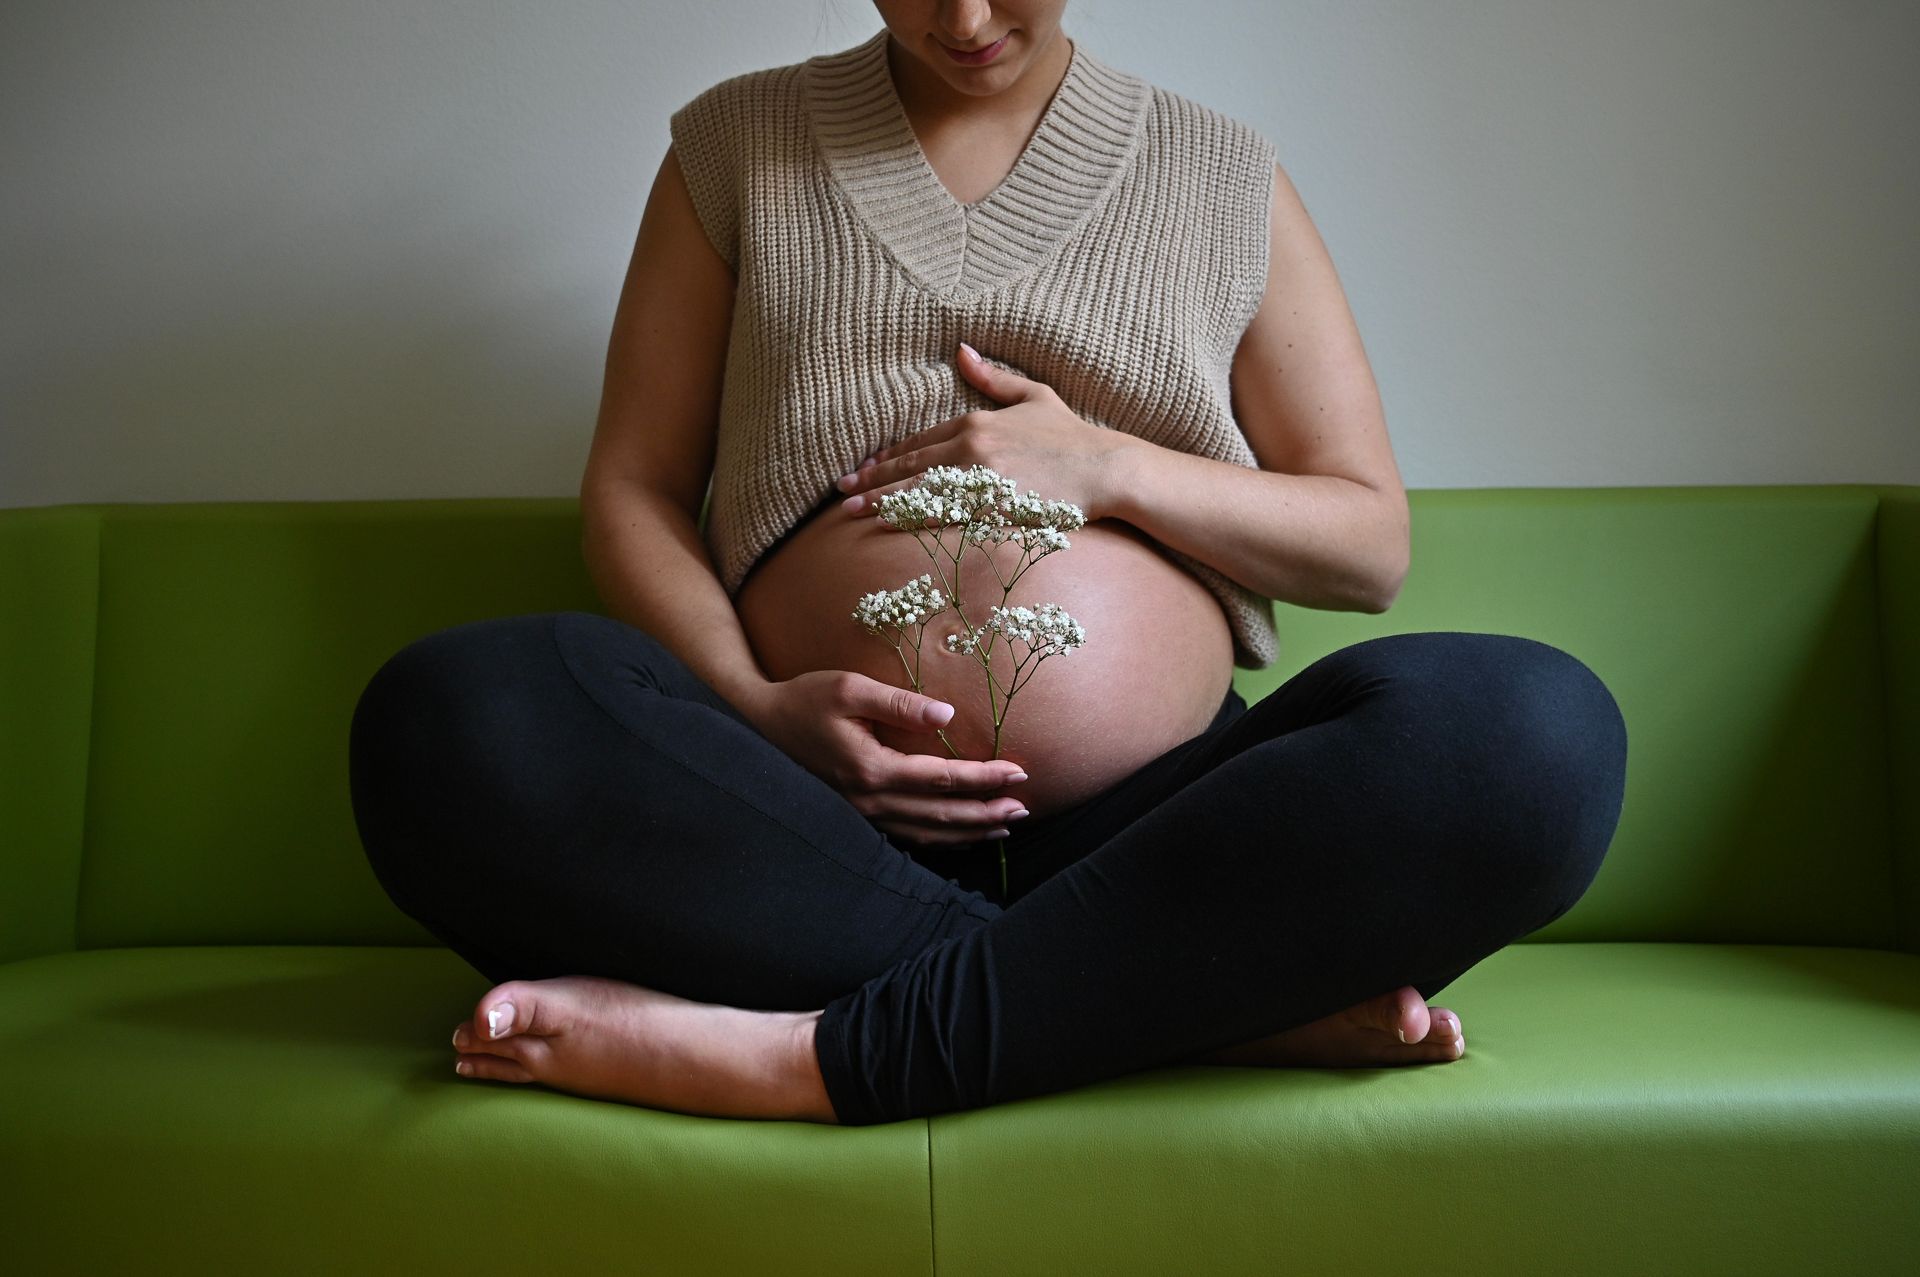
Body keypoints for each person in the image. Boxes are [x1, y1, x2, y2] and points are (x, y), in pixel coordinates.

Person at [347, 0, 1629, 1127]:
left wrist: (1107, 467)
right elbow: (633, 490)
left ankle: (810, 1059)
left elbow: (1367, 542)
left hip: (1172, 835)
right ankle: (1178, 1008)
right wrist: (757, 705)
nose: (962, 20)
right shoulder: (735, 148)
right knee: (444, 718)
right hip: (794, 821)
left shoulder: (1224, 177)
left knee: (1536, 734)